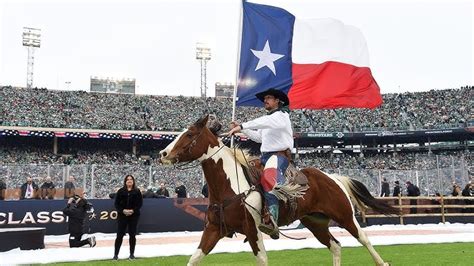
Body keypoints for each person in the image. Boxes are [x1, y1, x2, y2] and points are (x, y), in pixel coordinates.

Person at [226, 88, 293, 240]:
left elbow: (263, 122)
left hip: (280, 155)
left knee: (269, 178)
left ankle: (273, 220)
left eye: (269, 98)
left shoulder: (281, 116)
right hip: (265, 156)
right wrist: (242, 131)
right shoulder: (269, 119)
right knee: (243, 173)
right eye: (265, 98)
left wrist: (242, 126)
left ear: (277, 101)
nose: (265, 100)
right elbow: (258, 138)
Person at [113, 174, 143, 260]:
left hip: (134, 216)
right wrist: (123, 211)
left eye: (131, 179)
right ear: (125, 181)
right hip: (122, 216)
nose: (129, 181)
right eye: (127, 179)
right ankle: (115, 255)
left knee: (132, 235)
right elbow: (116, 204)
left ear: (133, 181)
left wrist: (132, 211)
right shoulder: (120, 191)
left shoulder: (137, 191)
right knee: (119, 235)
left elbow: (140, 204)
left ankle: (132, 254)